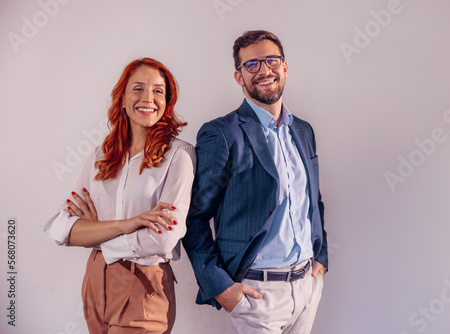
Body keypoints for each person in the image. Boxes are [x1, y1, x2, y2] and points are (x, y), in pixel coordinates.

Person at [182, 30, 328, 334]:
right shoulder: (222, 134)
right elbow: (194, 218)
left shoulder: (303, 130)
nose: (264, 70)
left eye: (271, 60)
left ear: (285, 67)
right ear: (239, 77)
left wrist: (321, 258)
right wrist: (221, 287)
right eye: (252, 65)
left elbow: (313, 199)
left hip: (307, 288)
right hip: (255, 295)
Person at [43, 58, 195, 334]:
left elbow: (162, 239)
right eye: (138, 88)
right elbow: (60, 227)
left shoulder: (179, 155)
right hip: (94, 282)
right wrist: (128, 223)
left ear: (167, 102)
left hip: (143, 285)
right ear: (122, 99)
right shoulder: (101, 155)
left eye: (158, 91)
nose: (148, 97)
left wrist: (96, 234)